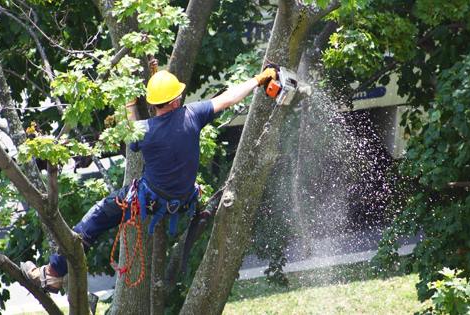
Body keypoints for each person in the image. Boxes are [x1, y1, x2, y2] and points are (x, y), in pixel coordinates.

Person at [21, 66, 278, 292]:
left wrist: (128, 102)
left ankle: (53, 273)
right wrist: (258, 79)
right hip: (184, 202)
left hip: (149, 201)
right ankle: (55, 273)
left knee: (96, 218)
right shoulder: (194, 115)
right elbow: (227, 99)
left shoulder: (145, 130)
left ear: (153, 103)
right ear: (176, 99)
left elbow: (132, 132)